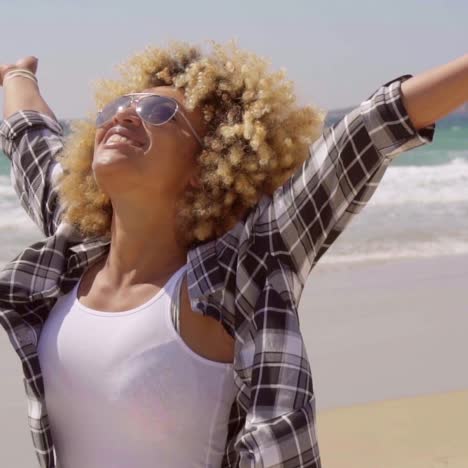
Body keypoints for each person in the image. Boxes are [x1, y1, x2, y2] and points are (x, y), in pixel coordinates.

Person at [0, 40, 466, 468]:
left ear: (206, 165)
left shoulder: (242, 271)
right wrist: (19, 77)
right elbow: (33, 143)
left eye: (160, 111)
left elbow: (368, 131)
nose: (125, 115)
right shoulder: (70, 251)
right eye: (120, 105)